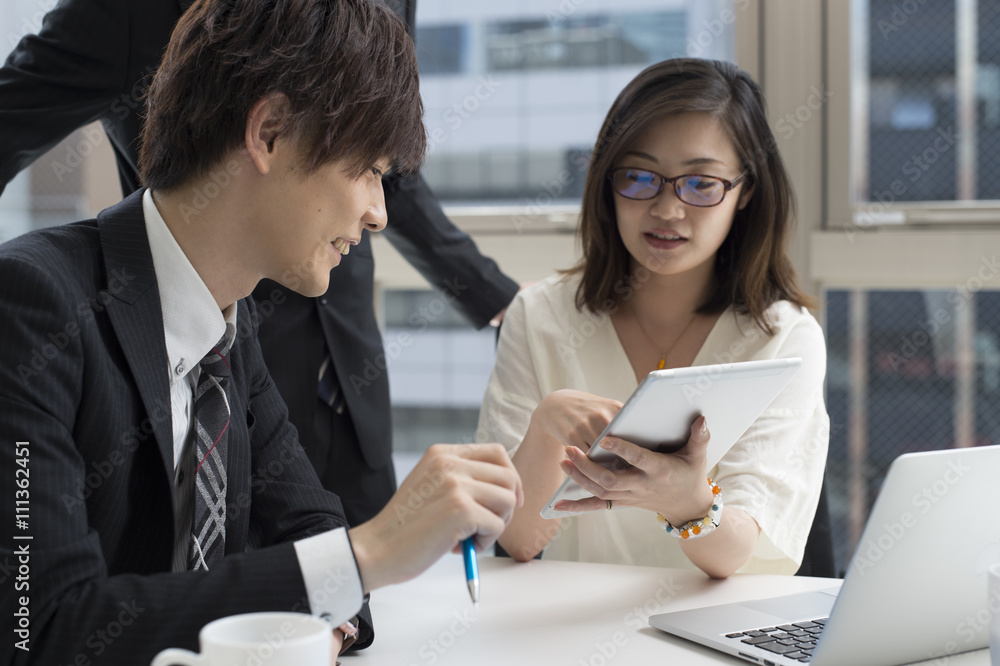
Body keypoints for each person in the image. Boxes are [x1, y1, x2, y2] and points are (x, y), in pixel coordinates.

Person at [0, 1, 522, 664]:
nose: (379, 214)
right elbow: (39, 630)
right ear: (270, 133)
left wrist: (331, 598)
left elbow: (312, 528)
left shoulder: (227, 326)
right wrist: (368, 555)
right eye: (367, 171)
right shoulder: (31, 306)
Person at [477, 58, 828, 579]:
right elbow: (516, 541)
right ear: (606, 181)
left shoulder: (783, 337)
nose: (667, 209)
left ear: (746, 191)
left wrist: (688, 501)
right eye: (639, 177)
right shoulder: (539, 316)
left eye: (701, 184)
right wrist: (546, 426)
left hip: (716, 638)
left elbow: (743, 555)